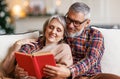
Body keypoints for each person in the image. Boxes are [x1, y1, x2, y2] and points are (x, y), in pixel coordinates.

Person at [42, 2, 120, 79]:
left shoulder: (95, 35)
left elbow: (91, 60)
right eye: (69, 19)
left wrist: (69, 71)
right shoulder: (61, 31)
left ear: (87, 23)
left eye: (76, 23)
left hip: (92, 76)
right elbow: (45, 39)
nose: (70, 26)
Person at [1, 15, 73, 79]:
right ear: (45, 29)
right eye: (51, 27)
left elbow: (64, 73)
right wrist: (18, 73)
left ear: (63, 36)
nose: (53, 32)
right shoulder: (31, 45)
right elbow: (7, 70)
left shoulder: (64, 49)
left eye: (58, 30)